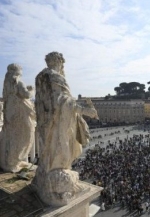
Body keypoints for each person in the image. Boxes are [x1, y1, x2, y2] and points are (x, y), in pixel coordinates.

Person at [32, 52, 98, 206]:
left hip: (46, 125)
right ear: (59, 62)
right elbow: (64, 102)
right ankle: (58, 181)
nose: (63, 67)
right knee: (62, 153)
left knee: (49, 152)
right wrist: (87, 111)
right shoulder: (55, 77)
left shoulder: (39, 77)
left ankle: (46, 174)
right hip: (59, 125)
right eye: (63, 63)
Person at [0, 63, 36, 172]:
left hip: (10, 113)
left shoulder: (6, 84)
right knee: (25, 135)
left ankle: (10, 161)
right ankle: (13, 161)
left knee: (12, 136)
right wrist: (32, 89)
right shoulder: (18, 82)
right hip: (19, 113)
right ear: (18, 71)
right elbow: (26, 95)